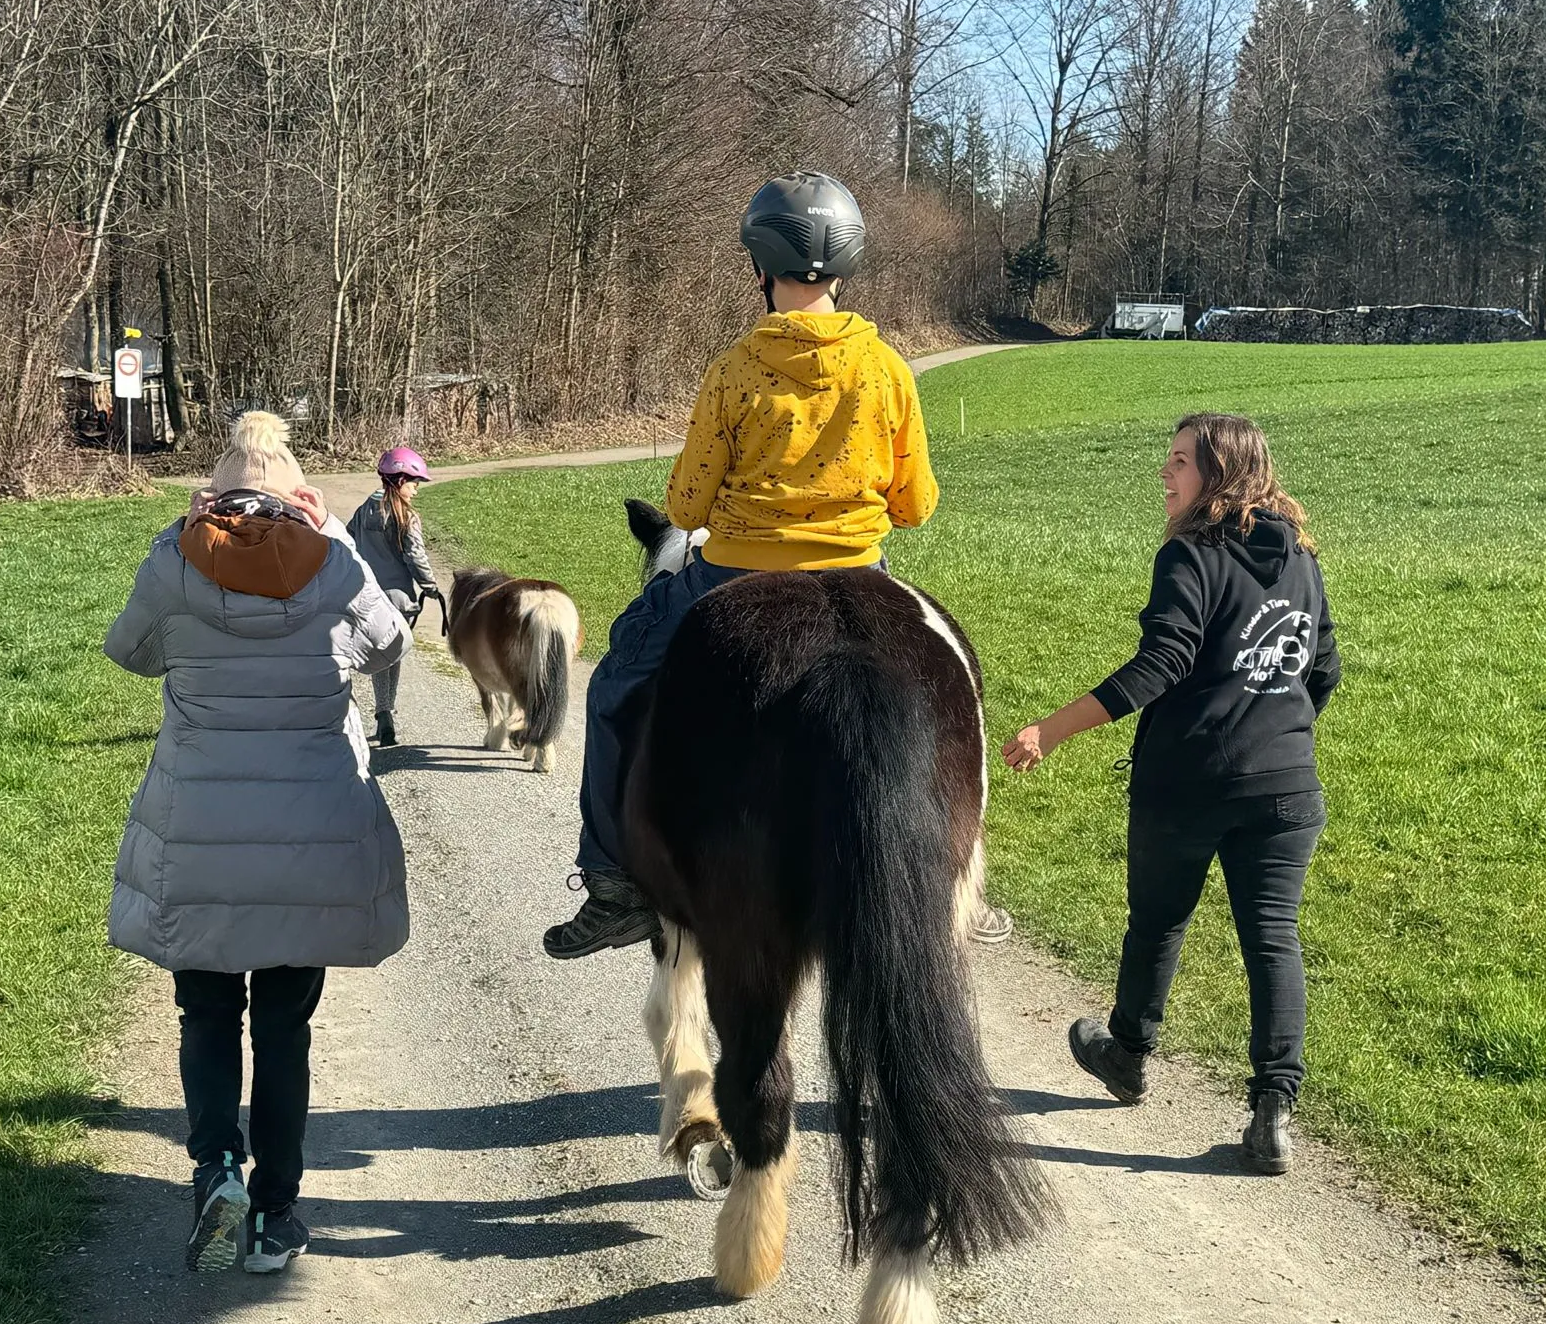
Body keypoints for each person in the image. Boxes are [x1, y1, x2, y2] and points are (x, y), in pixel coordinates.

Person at [542, 170, 946, 959]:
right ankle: (951, 882)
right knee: (935, 695)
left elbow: (686, 508)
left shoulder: (733, 370)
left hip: (731, 576)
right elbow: (915, 504)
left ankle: (613, 883)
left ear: (762, 267)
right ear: (845, 264)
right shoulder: (889, 371)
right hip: (860, 573)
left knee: (616, 683)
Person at [105, 411, 412, 1272]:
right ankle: (277, 1215)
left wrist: (179, 531)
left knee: (205, 1011)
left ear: (218, 487)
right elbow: (390, 642)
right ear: (295, 491)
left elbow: (126, 652)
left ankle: (214, 1171)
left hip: (200, 833)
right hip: (308, 839)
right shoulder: (334, 561)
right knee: (284, 1029)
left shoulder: (176, 561)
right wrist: (326, 540)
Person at [1002, 413, 1340, 1175]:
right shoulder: (1303, 559)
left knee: (1158, 921)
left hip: (1188, 782)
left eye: (1180, 461)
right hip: (1287, 786)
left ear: (1218, 476)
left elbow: (1162, 664)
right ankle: (1273, 1111)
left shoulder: (1191, 553)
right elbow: (1323, 670)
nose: (1165, 473)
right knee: (1272, 938)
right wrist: (1274, 730)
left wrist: (1051, 729)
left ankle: (1126, 1052)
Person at [348, 447, 441, 747]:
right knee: (394, 655)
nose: (416, 490)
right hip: (400, 600)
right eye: (414, 483)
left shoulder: (365, 510)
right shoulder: (406, 516)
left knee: (380, 658)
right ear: (400, 480)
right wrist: (430, 586)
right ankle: (387, 711)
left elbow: (348, 542)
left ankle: (382, 710)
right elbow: (416, 556)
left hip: (370, 598)